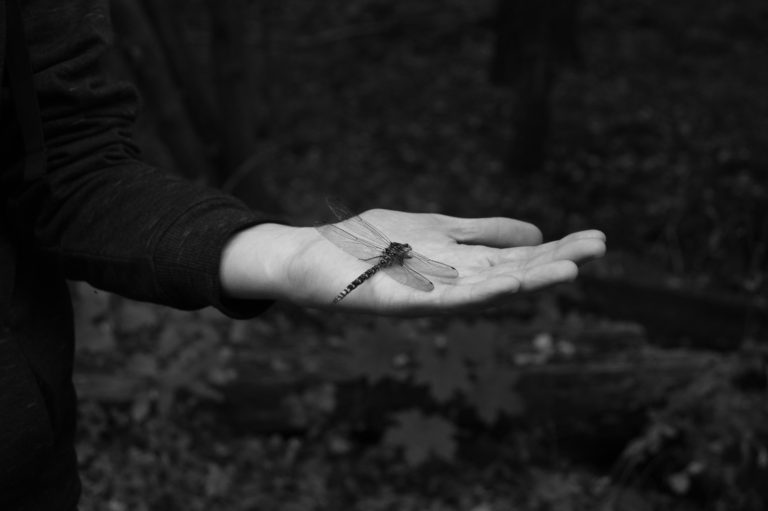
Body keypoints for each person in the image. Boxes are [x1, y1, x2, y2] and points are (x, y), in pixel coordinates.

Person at [0, 0, 606, 509]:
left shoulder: (380, 252)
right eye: (394, 255)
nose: (395, 256)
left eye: (393, 256)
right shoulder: (391, 256)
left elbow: (66, 162)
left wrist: (285, 252)